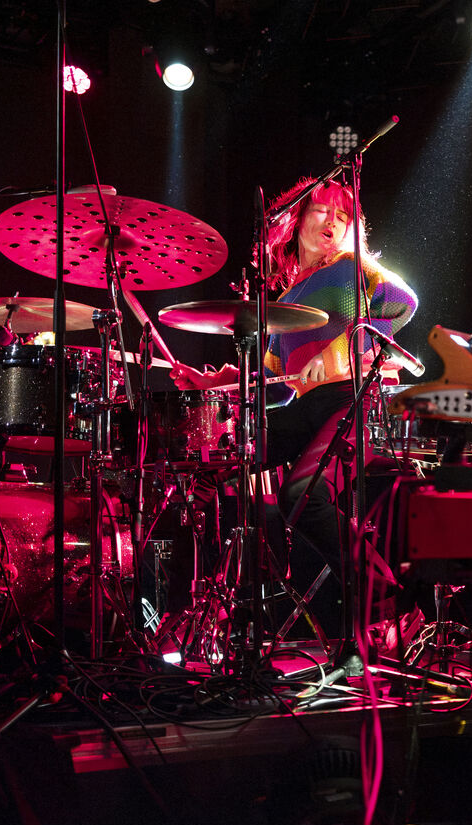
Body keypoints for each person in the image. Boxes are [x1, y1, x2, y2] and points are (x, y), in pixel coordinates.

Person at [170, 177, 417, 637]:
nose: (333, 222)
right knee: (211, 468)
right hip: (307, 408)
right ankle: (200, 608)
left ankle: (388, 603)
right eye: (323, 210)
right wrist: (216, 381)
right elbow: (274, 383)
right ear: (296, 220)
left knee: (302, 496)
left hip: (350, 403)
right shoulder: (287, 299)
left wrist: (341, 351)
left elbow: (404, 304)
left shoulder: (351, 268)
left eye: (343, 216)